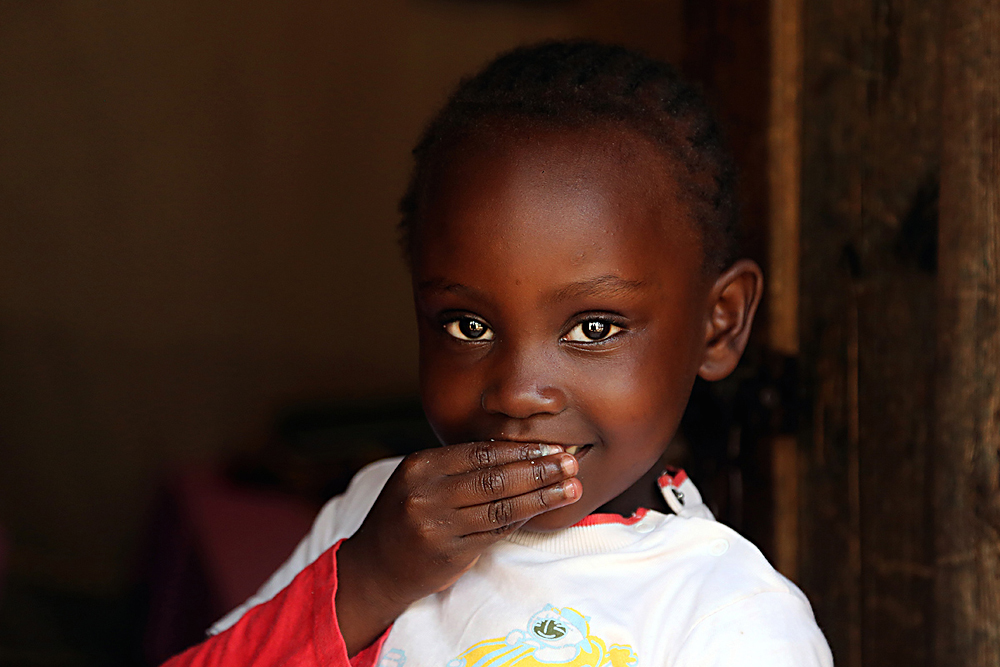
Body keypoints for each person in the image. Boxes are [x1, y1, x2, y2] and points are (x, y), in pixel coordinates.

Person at [163, 41, 833, 667]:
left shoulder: (729, 617)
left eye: (594, 328)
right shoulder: (372, 521)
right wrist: (365, 583)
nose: (517, 390)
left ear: (719, 325)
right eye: (467, 325)